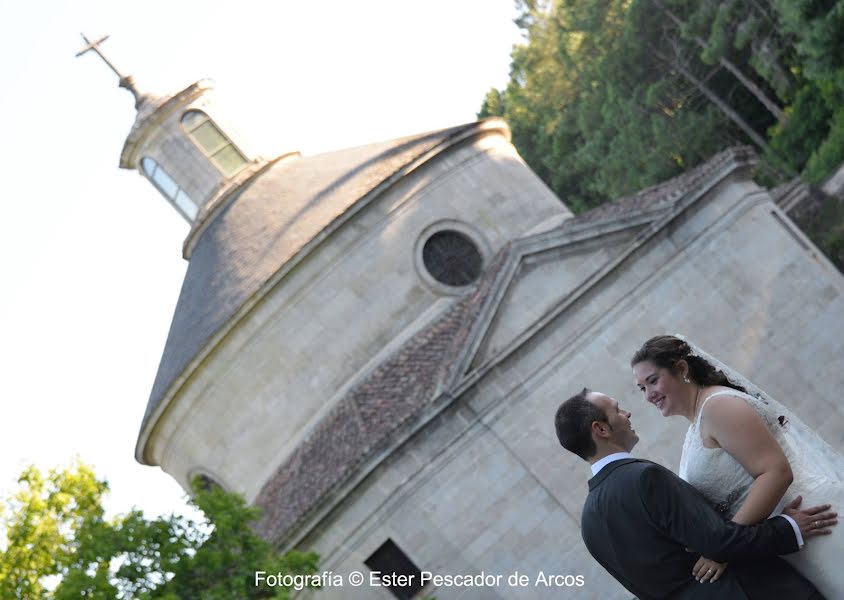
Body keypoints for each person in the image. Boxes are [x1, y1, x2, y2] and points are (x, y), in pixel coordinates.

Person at [554, 388, 835, 599]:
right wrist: (788, 528)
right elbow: (719, 542)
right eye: (617, 410)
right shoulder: (643, 478)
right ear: (601, 429)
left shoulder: (588, 524)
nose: (627, 414)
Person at [631, 334, 844, 598]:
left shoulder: (718, 406)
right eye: (642, 388)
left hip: (814, 520)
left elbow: (776, 472)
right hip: (787, 536)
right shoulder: (695, 426)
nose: (649, 395)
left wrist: (725, 548)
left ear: (682, 369)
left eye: (653, 381)